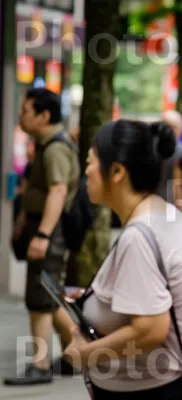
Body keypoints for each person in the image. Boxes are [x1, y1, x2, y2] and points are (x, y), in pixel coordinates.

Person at [62, 120, 182, 399]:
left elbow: (150, 330)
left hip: (159, 390)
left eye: (90, 161)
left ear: (117, 171)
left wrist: (83, 354)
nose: (85, 171)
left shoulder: (141, 235)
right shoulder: (166, 215)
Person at [4, 89, 80, 386]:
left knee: (39, 297)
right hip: (45, 227)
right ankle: (74, 354)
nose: (21, 116)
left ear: (44, 115)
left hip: (50, 229)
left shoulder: (55, 148)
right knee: (48, 294)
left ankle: (40, 364)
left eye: (25, 111)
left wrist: (43, 235)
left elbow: (58, 191)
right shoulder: (47, 145)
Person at [157, 110, 182, 203]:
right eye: (167, 127)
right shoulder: (148, 149)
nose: (169, 131)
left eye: (174, 127)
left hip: (175, 204)